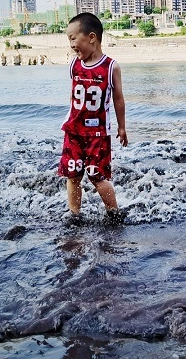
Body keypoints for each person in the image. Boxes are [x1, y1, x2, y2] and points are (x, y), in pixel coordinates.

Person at [58, 12, 128, 224]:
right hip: (73, 131)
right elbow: (72, 95)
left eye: (73, 38)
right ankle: (75, 215)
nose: (71, 44)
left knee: (98, 177)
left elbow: (118, 99)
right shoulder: (74, 65)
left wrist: (122, 127)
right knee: (73, 175)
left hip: (98, 133)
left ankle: (114, 213)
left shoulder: (110, 66)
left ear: (91, 37)